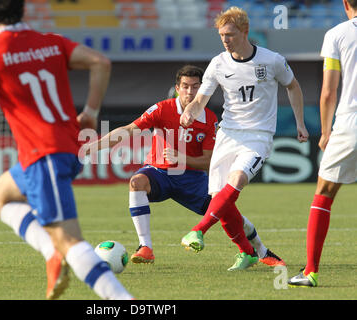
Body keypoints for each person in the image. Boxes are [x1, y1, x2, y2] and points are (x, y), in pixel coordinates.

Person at [0, 0, 133, 300]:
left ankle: (123, 301)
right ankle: (51, 252)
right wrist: (91, 112)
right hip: (56, 149)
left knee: (69, 240)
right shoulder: (50, 42)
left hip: (46, 154)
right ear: (23, 10)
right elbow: (100, 62)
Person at [83, 65, 285, 267]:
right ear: (177, 88)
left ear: (203, 89)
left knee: (226, 210)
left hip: (193, 179)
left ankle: (258, 250)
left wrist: (181, 159)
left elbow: (209, 161)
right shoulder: (162, 109)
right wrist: (96, 145)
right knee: (137, 182)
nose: (190, 92)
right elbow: (129, 130)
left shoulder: (209, 119)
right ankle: (145, 248)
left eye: (196, 87)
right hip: (159, 172)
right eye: (186, 86)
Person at [179, 7, 309, 271]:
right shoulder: (218, 63)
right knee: (220, 199)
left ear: (244, 31)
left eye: (229, 34)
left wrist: (300, 123)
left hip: (258, 136)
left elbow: (293, 86)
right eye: (221, 35)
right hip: (228, 134)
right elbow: (201, 99)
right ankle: (253, 252)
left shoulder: (271, 60)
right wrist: (190, 112)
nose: (225, 39)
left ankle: (198, 230)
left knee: (236, 181)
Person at [288, 0, 356, 287]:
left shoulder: (337, 34)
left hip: (350, 123)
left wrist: (326, 131)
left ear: (344, 4)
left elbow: (329, 91)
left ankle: (311, 271)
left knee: (324, 193)